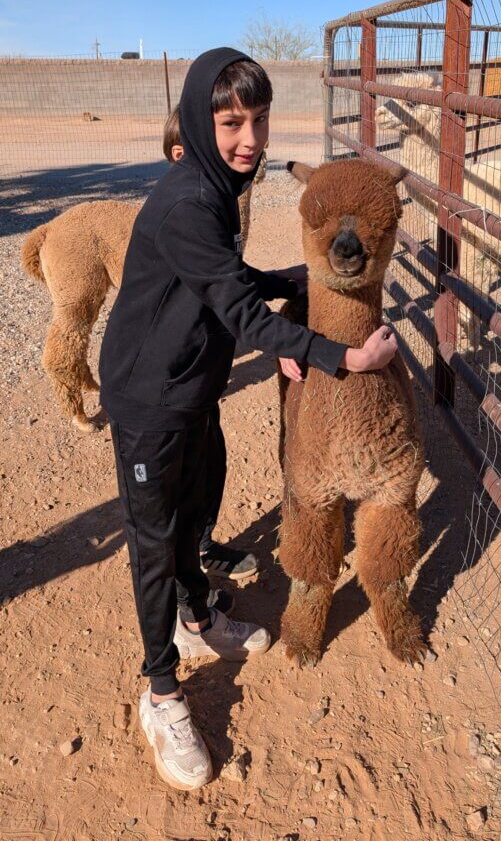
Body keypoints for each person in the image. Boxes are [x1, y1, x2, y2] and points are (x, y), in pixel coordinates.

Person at [99, 47, 398, 791]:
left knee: (196, 508)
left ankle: (198, 620)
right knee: (155, 539)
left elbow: (224, 280)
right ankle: (161, 691)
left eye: (259, 121)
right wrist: (342, 357)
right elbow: (238, 310)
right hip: (149, 397)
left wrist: (290, 278)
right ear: (200, 121)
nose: (250, 140)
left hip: (192, 385)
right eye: (232, 123)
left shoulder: (215, 189)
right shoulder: (188, 201)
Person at [163, 105, 259, 584]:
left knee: (211, 460)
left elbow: (231, 279)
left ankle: (202, 545)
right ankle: (187, 595)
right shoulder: (191, 212)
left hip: (203, 372)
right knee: (182, 478)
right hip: (172, 379)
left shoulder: (222, 207)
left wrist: (279, 282)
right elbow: (235, 303)